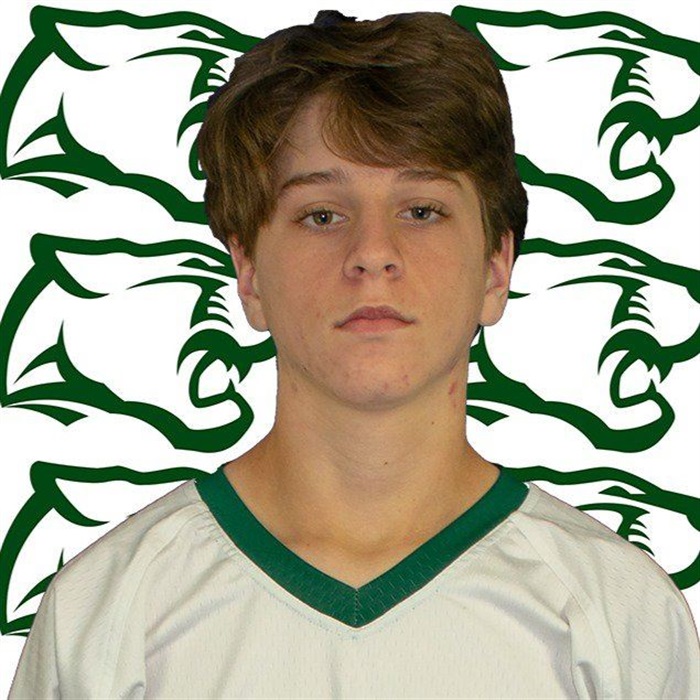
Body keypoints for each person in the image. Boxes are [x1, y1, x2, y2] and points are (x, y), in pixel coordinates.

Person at [9, 9, 699, 699]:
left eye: (421, 210)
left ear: (496, 268)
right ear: (249, 274)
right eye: (322, 215)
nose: (372, 253)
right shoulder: (108, 612)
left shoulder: (618, 613)